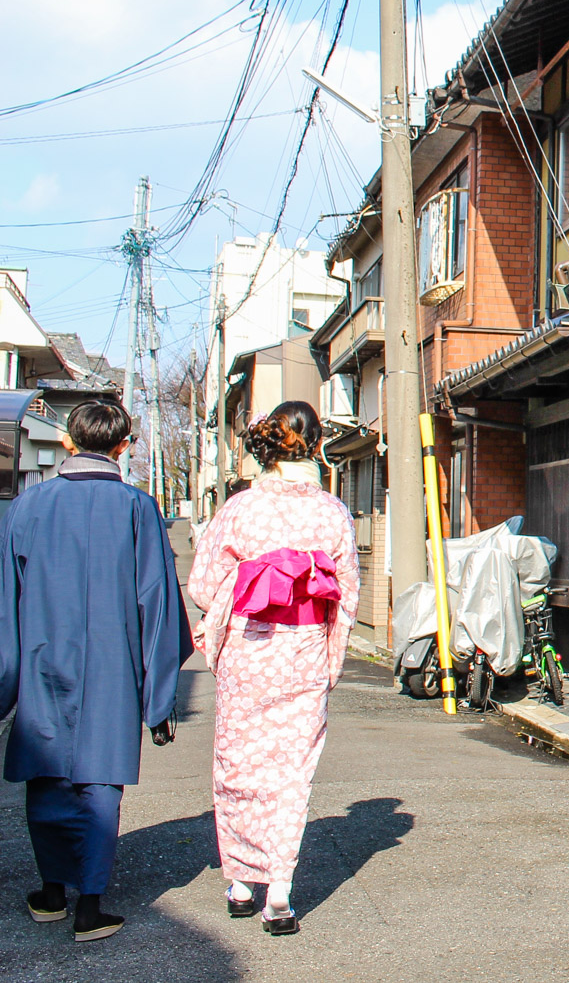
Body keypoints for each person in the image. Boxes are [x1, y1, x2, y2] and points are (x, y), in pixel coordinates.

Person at [0, 398, 187, 942]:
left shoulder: (28, 507)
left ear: (67, 441)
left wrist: (4, 685)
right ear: (124, 446)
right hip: (112, 662)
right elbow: (157, 602)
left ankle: (51, 893)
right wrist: (159, 698)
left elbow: (6, 602)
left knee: (47, 770)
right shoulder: (137, 507)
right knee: (99, 779)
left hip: (40, 656)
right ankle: (91, 906)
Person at [188, 400, 358, 936]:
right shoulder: (331, 511)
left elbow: (202, 583)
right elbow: (346, 595)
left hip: (248, 647)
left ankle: (240, 882)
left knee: (238, 762)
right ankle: (279, 895)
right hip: (304, 646)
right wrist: (332, 659)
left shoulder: (241, 508)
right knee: (291, 772)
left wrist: (228, 606)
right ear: (316, 445)